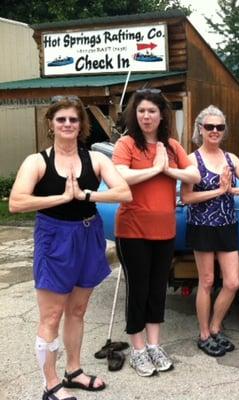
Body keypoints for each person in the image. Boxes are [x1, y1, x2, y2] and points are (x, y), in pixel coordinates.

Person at [8, 96, 132, 400]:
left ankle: (73, 371)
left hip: (89, 235)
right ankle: (50, 385)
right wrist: (62, 198)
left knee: (77, 311)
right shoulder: (37, 161)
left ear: (81, 125)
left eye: (73, 119)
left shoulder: (96, 160)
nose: (67, 124)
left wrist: (86, 195)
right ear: (51, 123)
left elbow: (124, 192)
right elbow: (16, 202)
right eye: (61, 119)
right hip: (54, 238)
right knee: (51, 317)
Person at [112, 89, 200, 377]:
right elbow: (120, 176)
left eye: (152, 111)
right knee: (137, 290)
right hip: (133, 230)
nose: (146, 116)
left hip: (164, 231)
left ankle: (154, 345)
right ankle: (137, 350)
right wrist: (154, 169)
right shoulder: (126, 144)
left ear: (162, 115)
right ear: (134, 115)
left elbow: (194, 175)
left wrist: (169, 170)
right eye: (141, 111)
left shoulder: (172, 146)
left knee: (157, 290)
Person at [181, 105, 239, 357]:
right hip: (202, 227)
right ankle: (204, 333)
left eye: (219, 127)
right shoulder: (192, 160)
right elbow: (186, 198)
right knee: (206, 281)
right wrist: (218, 190)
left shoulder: (231, 158)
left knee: (233, 282)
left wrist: (231, 190)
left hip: (227, 225)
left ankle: (216, 326)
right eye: (209, 127)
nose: (215, 131)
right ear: (200, 129)